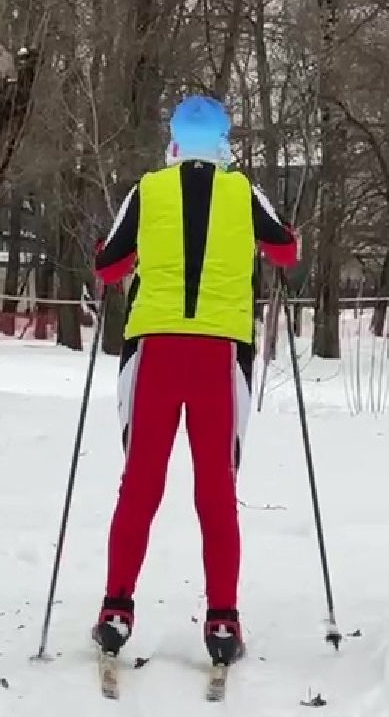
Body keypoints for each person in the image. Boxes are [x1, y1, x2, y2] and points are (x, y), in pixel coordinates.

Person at [89, 95, 299, 667]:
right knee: (215, 490)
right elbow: (286, 251)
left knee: (141, 481)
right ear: (225, 146)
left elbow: (106, 266)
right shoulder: (244, 192)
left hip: (154, 350)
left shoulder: (148, 190)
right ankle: (223, 620)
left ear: (174, 143)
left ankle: (116, 608)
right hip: (221, 353)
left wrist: (135, 261)